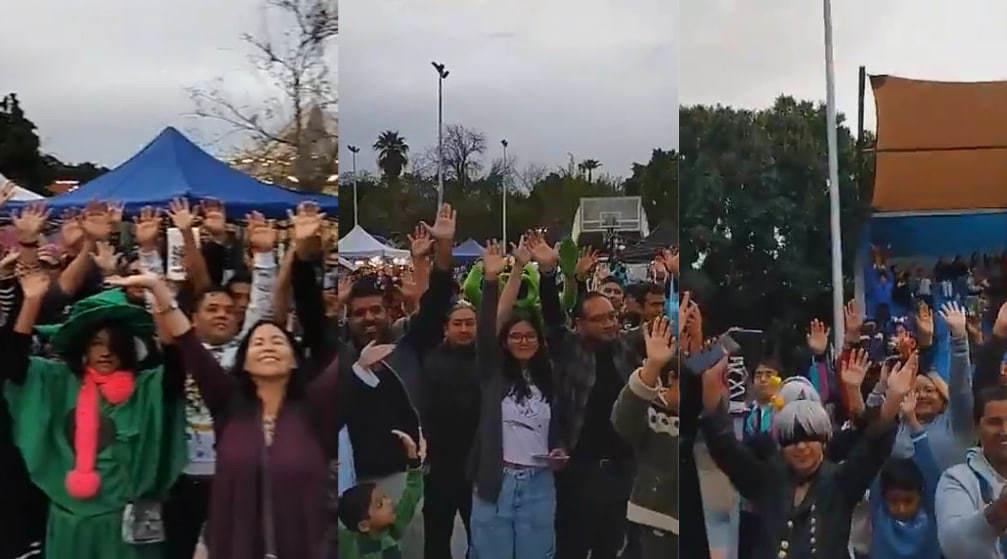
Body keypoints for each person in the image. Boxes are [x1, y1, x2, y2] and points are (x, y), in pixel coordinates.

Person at [108, 269, 340, 558]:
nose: (268, 346)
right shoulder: (229, 404)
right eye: (258, 342)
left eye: (278, 341)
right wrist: (157, 288)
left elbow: (345, 358)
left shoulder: (315, 408)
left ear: (295, 360)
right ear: (243, 363)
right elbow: (188, 342)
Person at [2, 220, 188, 559]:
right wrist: (31, 301)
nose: (105, 352)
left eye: (114, 344)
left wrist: (159, 292)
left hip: (124, 526)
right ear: (82, 350)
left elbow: (176, 364)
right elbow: (14, 367)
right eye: (96, 344)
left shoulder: (146, 386)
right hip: (69, 521)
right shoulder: (58, 381)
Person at [699, 345, 912, 559]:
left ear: (824, 441)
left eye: (810, 438)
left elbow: (873, 448)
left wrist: (893, 400)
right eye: (792, 440)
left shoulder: (841, 482)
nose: (801, 447)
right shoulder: (766, 479)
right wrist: (711, 391)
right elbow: (725, 448)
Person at [528, 232, 642, 559]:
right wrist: (549, 273)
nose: (610, 324)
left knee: (610, 547)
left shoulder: (627, 349)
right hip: (579, 470)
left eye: (612, 316)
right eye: (600, 319)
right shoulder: (569, 350)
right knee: (572, 547)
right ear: (579, 324)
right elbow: (551, 317)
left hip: (622, 470)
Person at [468, 240, 567, 559]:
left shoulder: (550, 377)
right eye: (515, 336)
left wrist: (560, 451)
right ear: (505, 341)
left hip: (540, 484)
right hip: (497, 481)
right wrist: (497, 278)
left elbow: (560, 428)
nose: (523, 341)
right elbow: (488, 329)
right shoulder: (492, 373)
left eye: (530, 336)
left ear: (539, 340)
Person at [611, 316, 678, 558]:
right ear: (672, 379)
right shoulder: (653, 410)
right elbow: (623, 422)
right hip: (649, 527)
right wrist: (652, 366)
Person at [936, 384, 1007, 558]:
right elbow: (954, 546)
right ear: (977, 428)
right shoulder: (957, 478)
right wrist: (998, 511)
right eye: (994, 422)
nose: (1005, 431)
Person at [867, 392, 940, 559]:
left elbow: (930, 472)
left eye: (908, 501)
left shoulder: (931, 514)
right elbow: (874, 456)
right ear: (883, 498)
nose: (901, 508)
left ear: (920, 496)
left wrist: (912, 421)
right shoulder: (880, 513)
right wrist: (888, 398)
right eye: (893, 501)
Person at [339, 430, 425, 559]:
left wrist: (413, 460)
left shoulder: (393, 526)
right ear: (364, 525)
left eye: (385, 498)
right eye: (379, 504)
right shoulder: (354, 546)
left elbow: (411, 495)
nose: (389, 502)